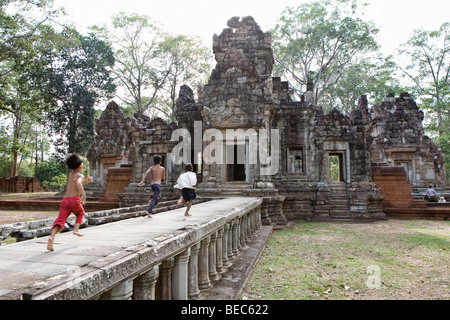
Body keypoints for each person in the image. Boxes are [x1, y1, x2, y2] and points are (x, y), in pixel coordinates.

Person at [47, 153, 93, 251]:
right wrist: (83, 195)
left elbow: (76, 183)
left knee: (60, 220)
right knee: (80, 213)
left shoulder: (70, 175)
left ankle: (52, 237)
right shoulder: (80, 175)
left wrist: (86, 181)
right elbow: (77, 183)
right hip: (74, 200)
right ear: (80, 165)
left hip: (65, 200)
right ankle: (76, 230)